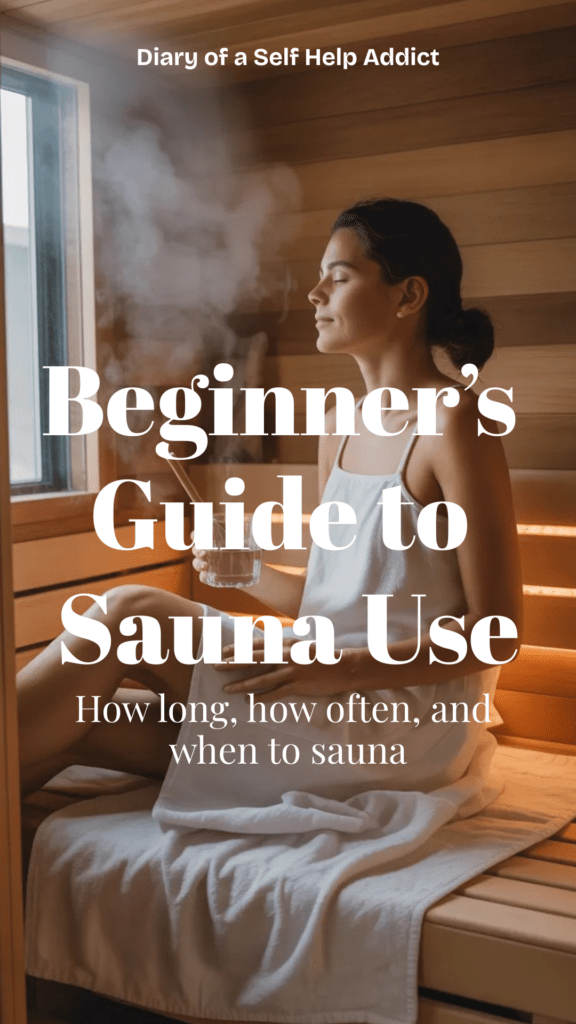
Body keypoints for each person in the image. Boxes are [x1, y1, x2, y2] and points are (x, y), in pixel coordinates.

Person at [17, 198, 523, 804]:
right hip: (319, 676)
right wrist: (250, 573)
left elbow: (495, 634)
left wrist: (334, 669)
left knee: (129, 612)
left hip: (395, 717)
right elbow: (329, 601)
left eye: (338, 277)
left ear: (408, 295)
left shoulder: (455, 422)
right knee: (85, 719)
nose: (314, 294)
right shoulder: (340, 424)